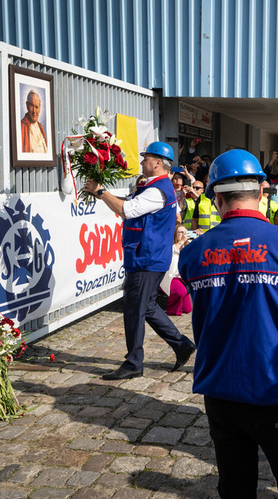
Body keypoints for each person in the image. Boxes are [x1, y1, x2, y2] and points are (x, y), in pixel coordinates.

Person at [177, 149, 278, 498]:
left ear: (216, 197)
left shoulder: (193, 253)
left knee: (235, 487)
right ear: (262, 192)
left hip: (222, 391)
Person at [83, 141, 196, 380]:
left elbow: (128, 210)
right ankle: (181, 345)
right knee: (147, 306)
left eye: (146, 159)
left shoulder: (157, 189)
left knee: (134, 308)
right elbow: (130, 203)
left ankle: (134, 361)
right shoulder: (155, 186)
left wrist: (101, 191)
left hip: (147, 256)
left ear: (157, 163)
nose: (143, 162)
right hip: (148, 255)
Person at [160, 224, 193, 316]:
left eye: (185, 232)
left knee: (188, 309)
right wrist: (182, 241)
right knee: (180, 292)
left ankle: (179, 302)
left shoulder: (188, 246)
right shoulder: (170, 247)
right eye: (180, 232)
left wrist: (201, 237)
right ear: (175, 234)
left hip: (183, 278)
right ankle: (172, 310)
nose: (183, 234)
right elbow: (173, 250)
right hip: (171, 278)